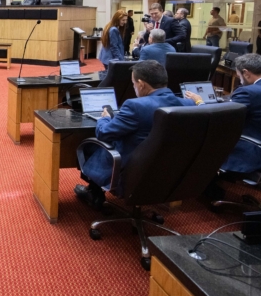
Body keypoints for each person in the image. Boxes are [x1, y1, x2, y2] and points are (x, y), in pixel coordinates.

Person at [75, 60, 194, 208]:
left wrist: (105, 118)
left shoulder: (135, 106)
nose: (134, 87)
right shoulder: (188, 104)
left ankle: (94, 193)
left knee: (88, 146)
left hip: (132, 170)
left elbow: (103, 133)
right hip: (169, 171)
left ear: (141, 84)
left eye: (133, 84)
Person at [186, 54, 261, 174]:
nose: (240, 79)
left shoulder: (247, 92)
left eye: (239, 75)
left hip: (256, 156)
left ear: (246, 73)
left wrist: (199, 102)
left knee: (197, 143)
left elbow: (221, 122)